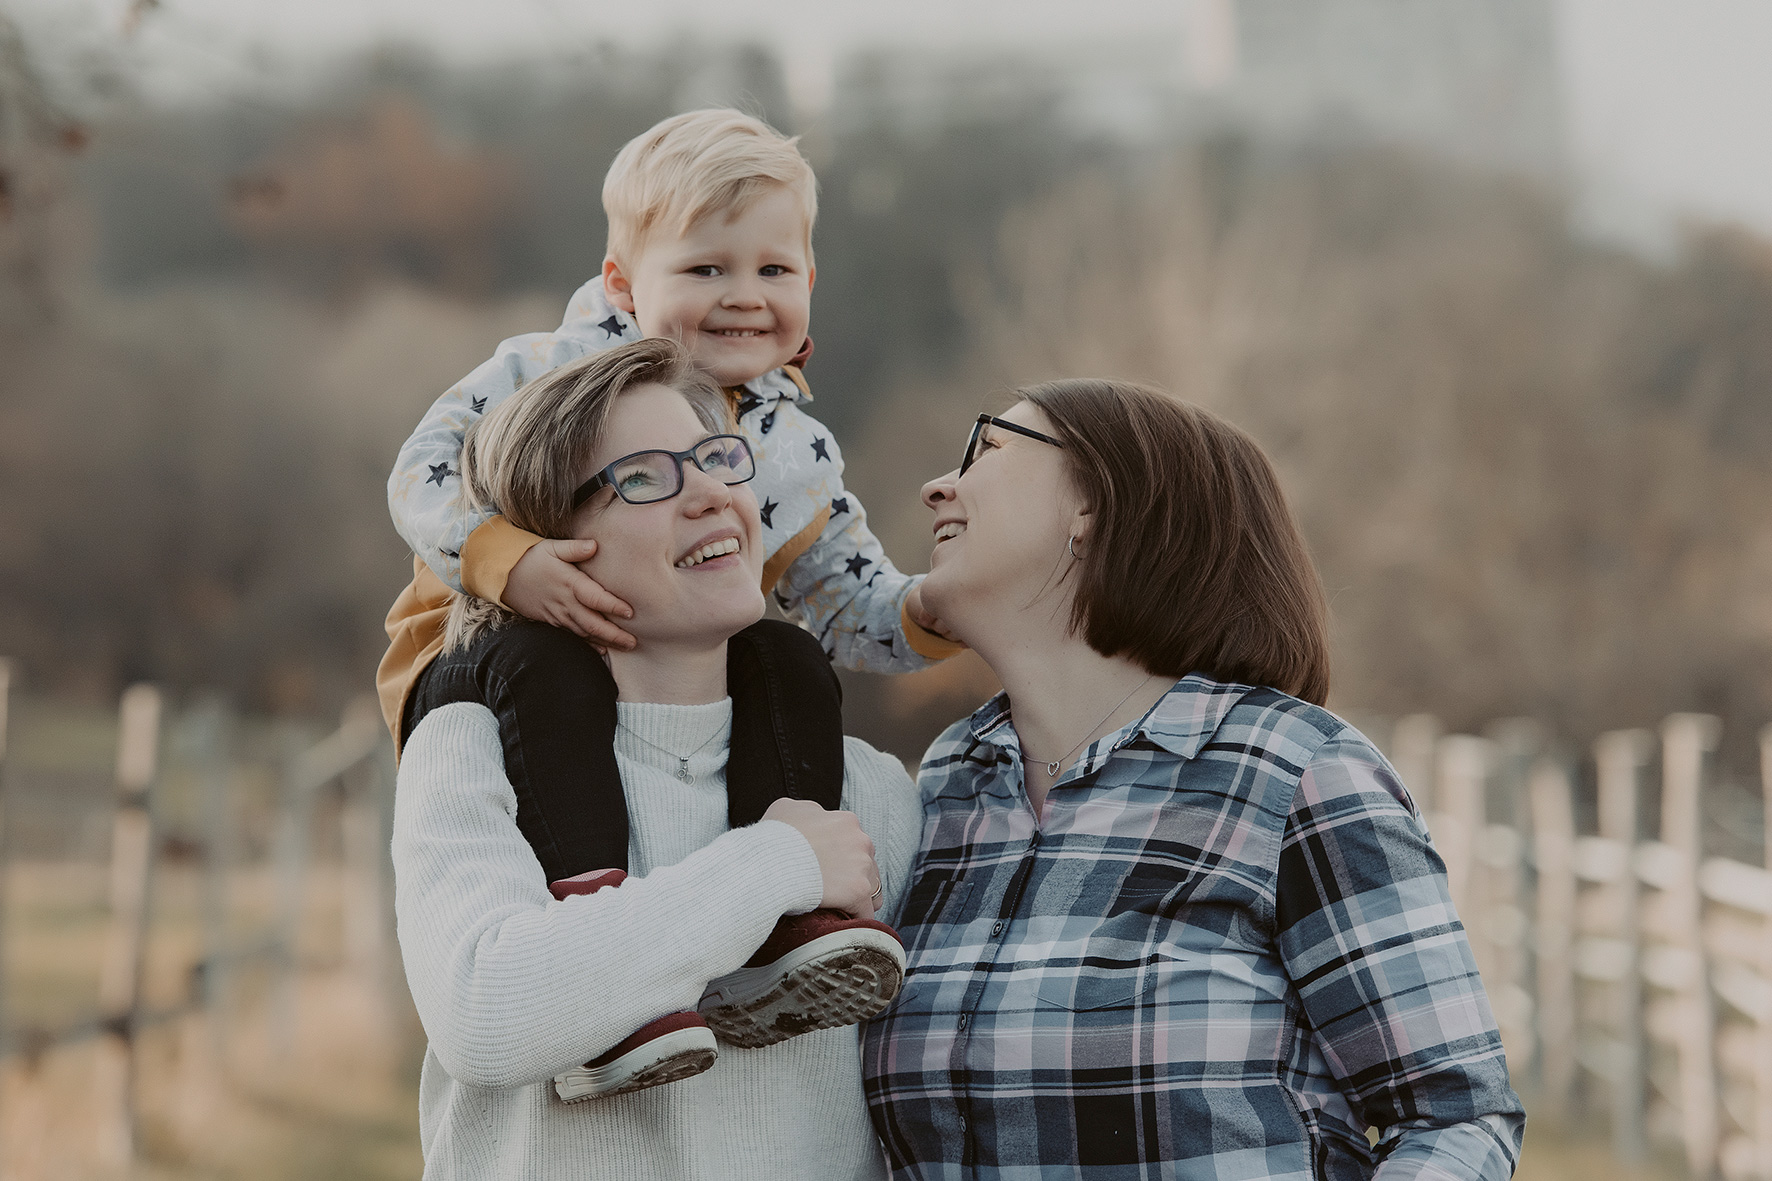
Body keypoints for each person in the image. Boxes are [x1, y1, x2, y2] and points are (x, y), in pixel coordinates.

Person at [383, 108, 958, 1096]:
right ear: (620, 282)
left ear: (808, 284)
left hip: (675, 677)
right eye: (705, 270)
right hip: (482, 644)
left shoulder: (784, 442)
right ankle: (601, 945)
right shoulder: (544, 376)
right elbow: (420, 472)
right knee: (546, 666)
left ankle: (790, 925)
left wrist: (958, 605)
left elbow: (847, 599)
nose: (743, 296)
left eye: (773, 271)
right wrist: (507, 560)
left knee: (786, 659)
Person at [863, 380, 1526, 1179]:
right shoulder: (939, 793)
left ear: (1095, 506)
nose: (939, 485)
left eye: (990, 446)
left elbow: (1456, 1117)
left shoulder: (1295, 772)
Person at [394, 337, 921, 1179]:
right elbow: (488, 1014)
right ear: (547, 546)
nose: (711, 492)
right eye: (644, 477)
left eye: (717, 458)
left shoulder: (866, 790)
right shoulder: (472, 748)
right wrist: (776, 863)